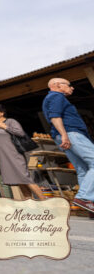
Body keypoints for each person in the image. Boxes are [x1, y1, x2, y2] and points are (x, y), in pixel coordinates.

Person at [43, 78, 94, 213]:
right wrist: (64, 134)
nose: (72, 88)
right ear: (58, 85)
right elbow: (55, 116)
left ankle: (89, 204)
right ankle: (84, 197)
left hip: (66, 135)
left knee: (82, 169)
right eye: (70, 85)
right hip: (71, 134)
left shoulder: (52, 98)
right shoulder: (56, 96)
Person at [0, 104, 44, 200]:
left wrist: (5, 127)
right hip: (3, 157)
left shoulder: (10, 121)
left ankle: (44, 200)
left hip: (14, 154)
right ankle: (28, 201)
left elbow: (20, 133)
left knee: (25, 178)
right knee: (18, 180)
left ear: (2, 112)